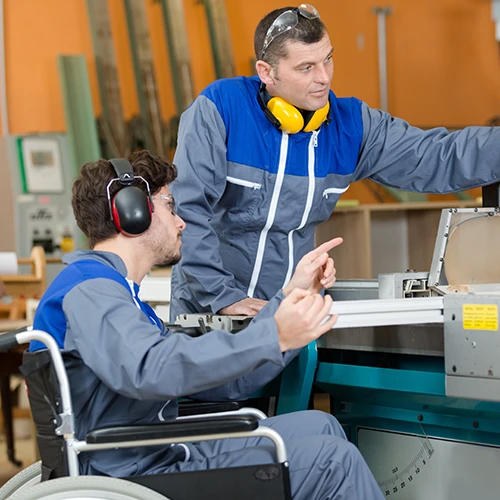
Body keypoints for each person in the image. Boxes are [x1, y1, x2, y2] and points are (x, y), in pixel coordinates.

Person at [30, 150, 384, 499]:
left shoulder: (119, 293)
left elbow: (212, 385)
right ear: (132, 213)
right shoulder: (91, 289)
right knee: (333, 463)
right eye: (170, 205)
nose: (181, 221)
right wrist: (272, 335)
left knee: (320, 424)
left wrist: (289, 296)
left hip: (156, 450)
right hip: (130, 472)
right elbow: (150, 367)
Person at [169, 3, 500, 322]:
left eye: (327, 60)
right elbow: (187, 213)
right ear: (266, 73)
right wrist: (225, 298)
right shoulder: (221, 110)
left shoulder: (350, 125)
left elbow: (436, 156)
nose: (324, 78)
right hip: (209, 316)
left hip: (291, 315)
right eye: (306, 67)